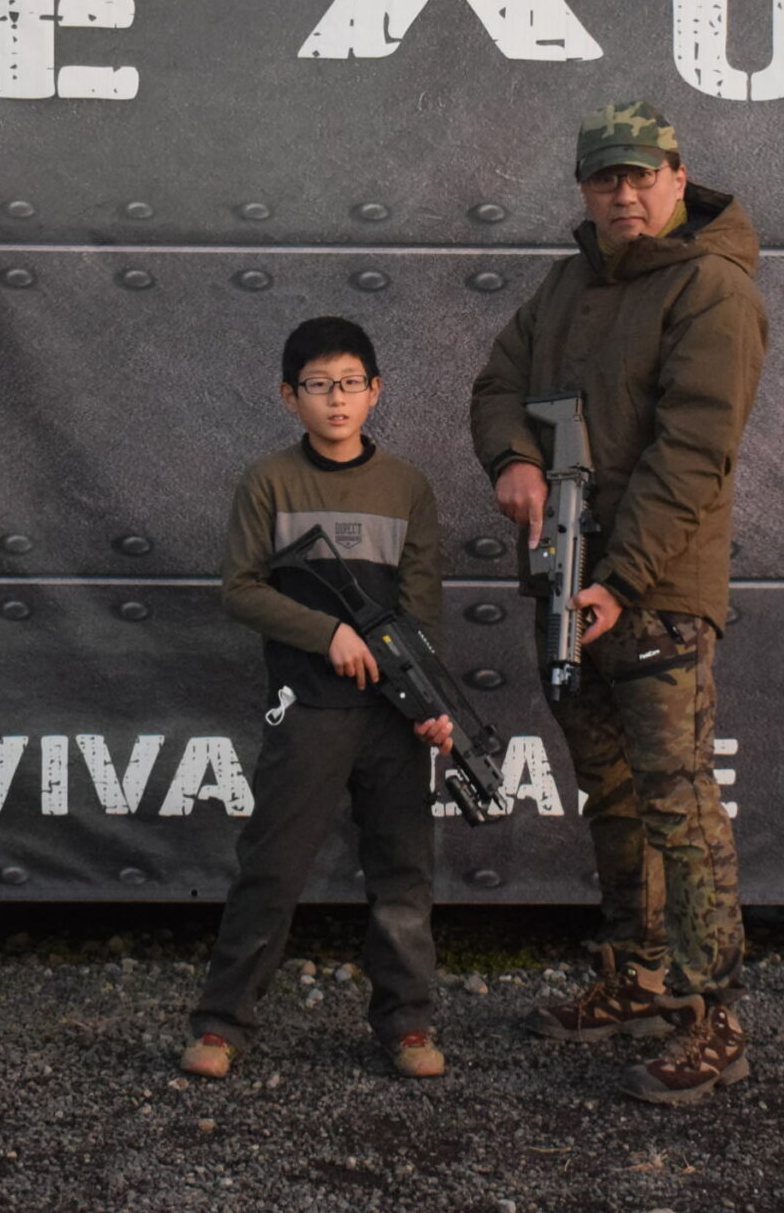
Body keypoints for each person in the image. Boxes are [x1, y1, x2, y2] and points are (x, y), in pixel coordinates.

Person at [471, 100, 769, 1106]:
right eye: (607, 177)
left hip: (654, 592)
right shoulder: (567, 285)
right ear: (585, 188)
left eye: (643, 175)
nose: (625, 193)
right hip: (566, 583)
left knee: (679, 800)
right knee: (611, 791)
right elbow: (496, 387)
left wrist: (623, 577)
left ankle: (713, 1014)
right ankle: (639, 976)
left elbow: (693, 453)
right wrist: (512, 460)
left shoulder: (712, 289)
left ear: (678, 178)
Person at [182, 316, 455, 1081]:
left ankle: (408, 1023)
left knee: (403, 873)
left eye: (350, 383)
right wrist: (327, 632)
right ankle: (221, 1023)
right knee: (271, 870)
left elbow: (422, 610)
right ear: (288, 395)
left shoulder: (407, 486)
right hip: (307, 707)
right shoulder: (269, 481)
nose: (336, 399)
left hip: (392, 718)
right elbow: (241, 589)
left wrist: (430, 702)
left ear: (376, 391)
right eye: (318, 385)